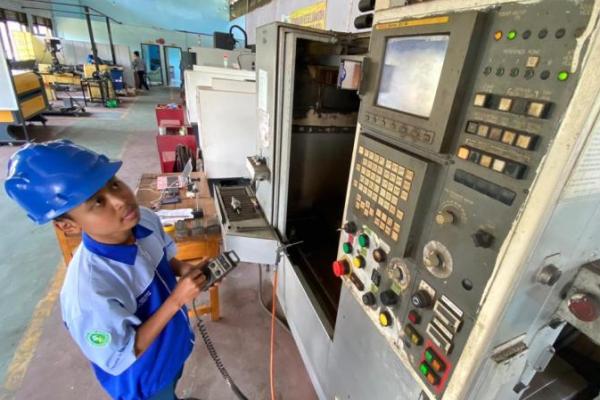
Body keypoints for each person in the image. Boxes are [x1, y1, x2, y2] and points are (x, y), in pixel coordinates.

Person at [5, 140, 204, 400]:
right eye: (98, 201)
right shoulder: (88, 293)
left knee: (174, 381)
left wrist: (183, 269)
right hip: (144, 377)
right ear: (68, 226)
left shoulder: (144, 218)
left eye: (114, 183)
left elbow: (162, 257)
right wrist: (177, 300)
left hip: (172, 348)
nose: (121, 200)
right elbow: (121, 353)